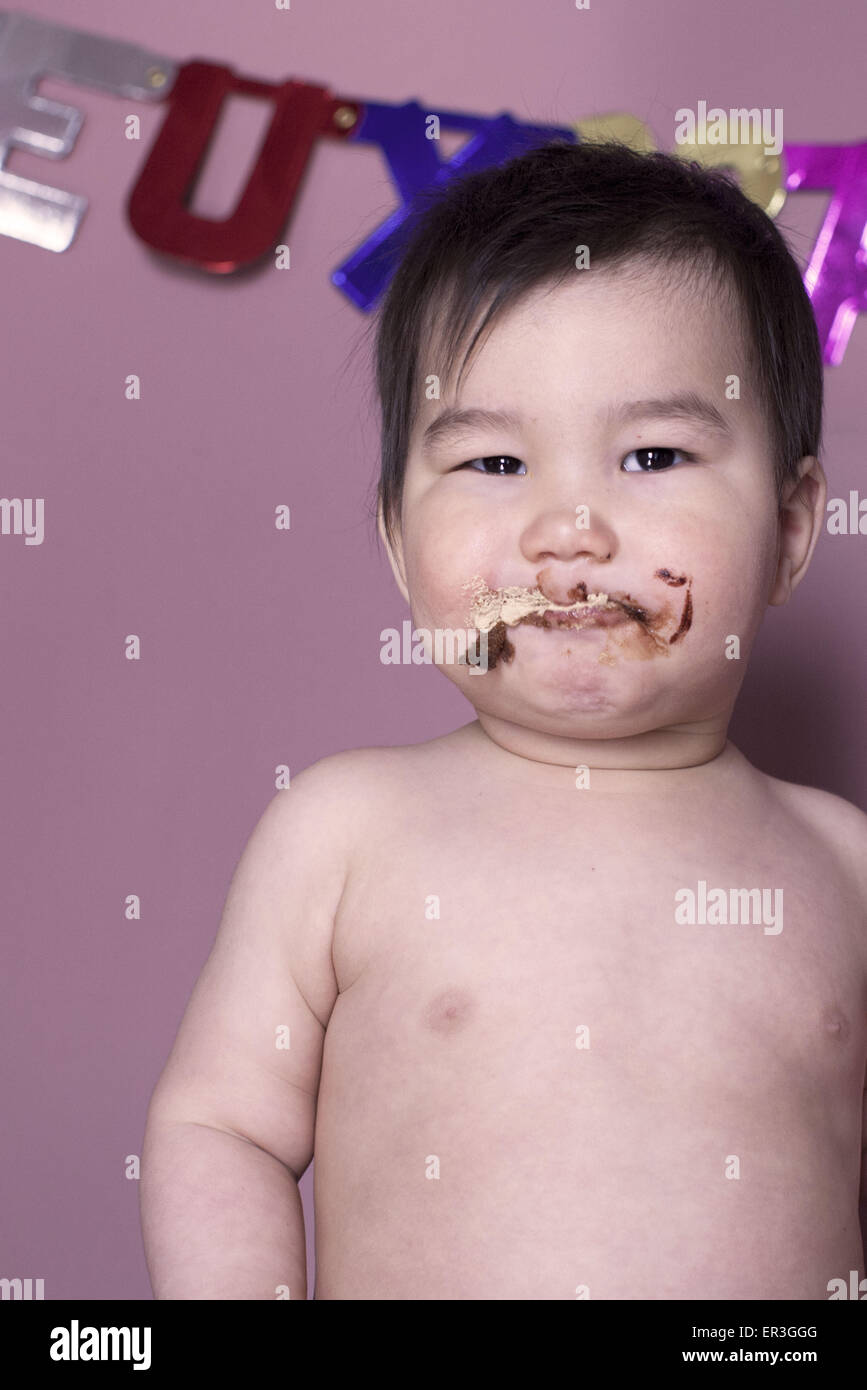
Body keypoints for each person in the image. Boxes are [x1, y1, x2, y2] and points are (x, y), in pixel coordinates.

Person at [140, 139, 867, 1299]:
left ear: (788, 529)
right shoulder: (348, 831)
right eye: (491, 462)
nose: (567, 530)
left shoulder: (842, 863)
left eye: (651, 453)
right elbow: (225, 1126)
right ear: (395, 541)